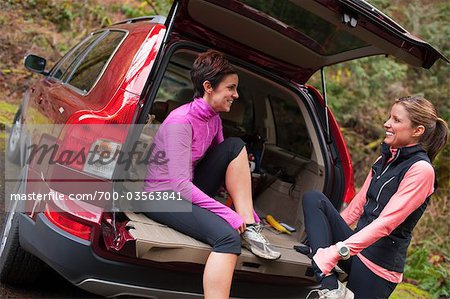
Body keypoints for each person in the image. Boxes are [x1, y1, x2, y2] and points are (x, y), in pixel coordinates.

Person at [143, 49, 280, 299]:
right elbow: (180, 186)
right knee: (227, 238)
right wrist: (226, 214)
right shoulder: (180, 122)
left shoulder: (214, 120)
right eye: (231, 88)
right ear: (208, 87)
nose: (236, 95)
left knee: (235, 146)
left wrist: (243, 212)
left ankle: (249, 224)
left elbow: (223, 164)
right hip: (162, 196)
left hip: (188, 188)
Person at [300, 96, 448, 299]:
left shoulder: (421, 170)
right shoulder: (385, 159)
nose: (387, 123)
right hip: (356, 250)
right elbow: (358, 205)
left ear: (417, 131)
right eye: (389, 117)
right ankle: (331, 287)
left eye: (396, 120)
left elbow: (386, 223)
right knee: (314, 199)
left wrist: (336, 251)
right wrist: (320, 246)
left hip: (378, 266)